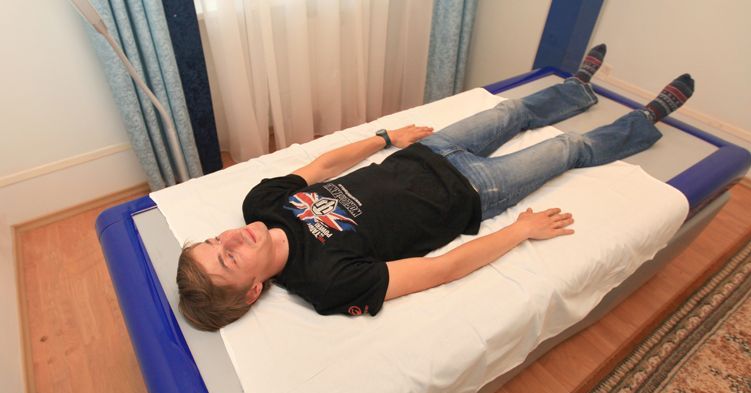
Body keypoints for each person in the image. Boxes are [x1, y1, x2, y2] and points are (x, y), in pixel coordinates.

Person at [177, 45, 695, 331]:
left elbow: (323, 164)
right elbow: (437, 271)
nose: (231, 237)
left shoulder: (261, 204)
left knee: (511, 111)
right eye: (228, 258)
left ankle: (577, 89)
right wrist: (517, 232)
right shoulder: (326, 284)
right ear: (252, 290)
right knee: (567, 149)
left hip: (426, 152)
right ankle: (643, 122)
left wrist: (387, 137)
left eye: (215, 240)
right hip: (472, 192)